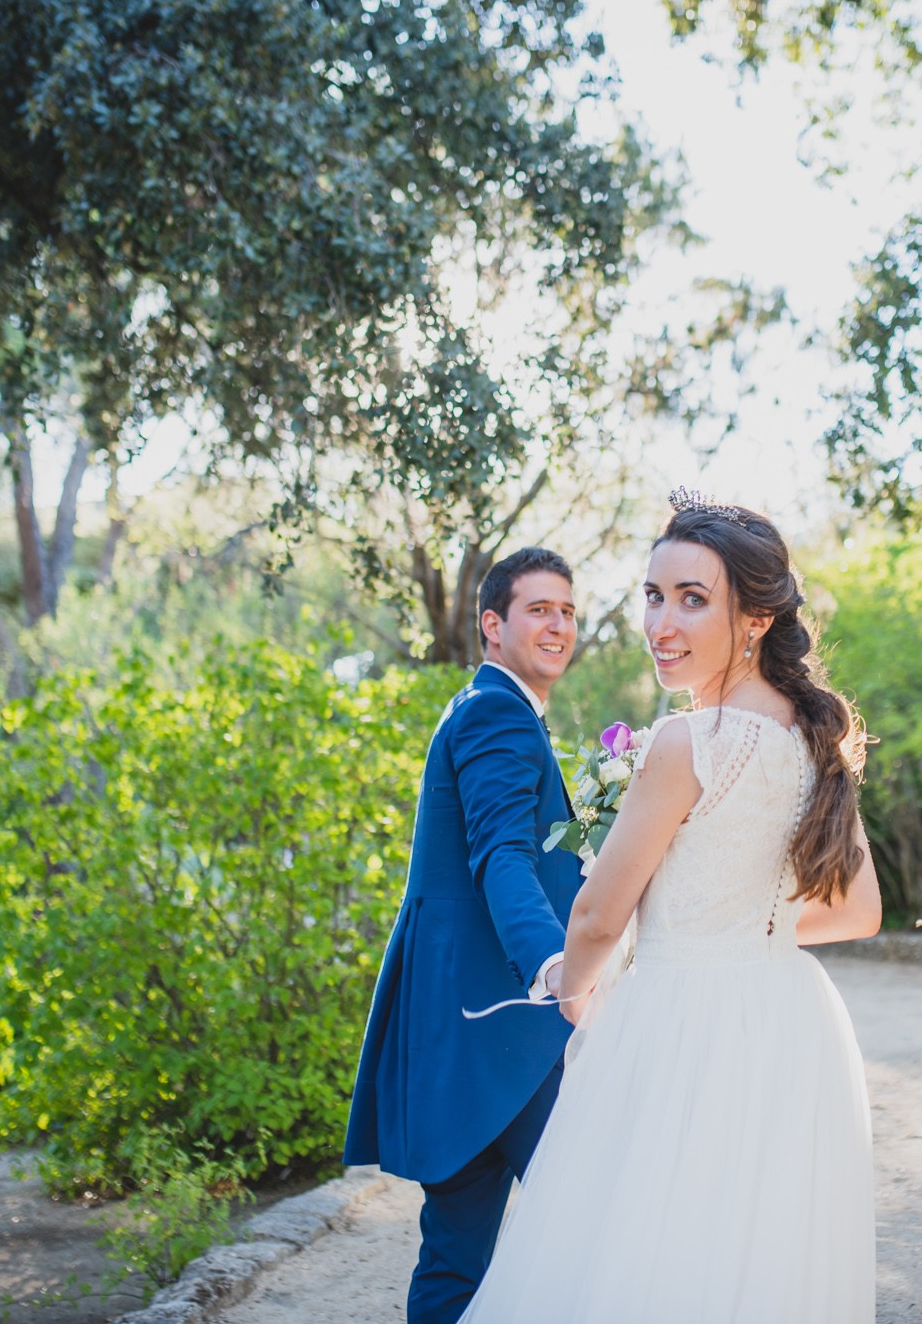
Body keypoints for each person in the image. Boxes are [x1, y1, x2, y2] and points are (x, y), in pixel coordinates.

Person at [460, 493, 882, 1323]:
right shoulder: (815, 737)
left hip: (681, 1020)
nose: (662, 622)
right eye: (654, 595)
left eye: (693, 599)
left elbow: (595, 917)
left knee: (637, 1248)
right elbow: (858, 909)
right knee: (748, 1256)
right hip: (791, 1022)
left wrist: (576, 992)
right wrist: (743, 928)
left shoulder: (689, 743)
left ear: (755, 618)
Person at [342, 547, 586, 1324]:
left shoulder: (486, 706)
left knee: (455, 1253)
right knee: (591, 1217)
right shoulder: (497, 713)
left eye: (568, 610)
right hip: (500, 1029)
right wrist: (554, 961)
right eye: (538, 609)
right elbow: (502, 855)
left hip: (461, 1030)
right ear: (492, 624)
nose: (557, 624)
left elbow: (525, 858)